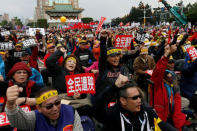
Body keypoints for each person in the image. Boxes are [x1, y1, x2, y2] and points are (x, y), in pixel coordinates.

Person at [92, 76, 177, 131]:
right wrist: (114, 87)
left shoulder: (148, 112)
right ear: (123, 100)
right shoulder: (113, 115)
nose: (139, 100)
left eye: (140, 96)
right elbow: (96, 110)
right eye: (135, 98)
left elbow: (164, 126)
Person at [5, 87, 83, 131]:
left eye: (57, 103)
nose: (55, 108)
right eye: (49, 106)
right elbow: (17, 122)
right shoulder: (35, 117)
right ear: (39, 108)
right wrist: (10, 105)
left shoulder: (70, 111)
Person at [150, 45, 189, 131]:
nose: (172, 64)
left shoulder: (174, 85)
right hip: (160, 120)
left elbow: (177, 108)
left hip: (172, 118)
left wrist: (179, 125)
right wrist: (166, 55)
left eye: (173, 62)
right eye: (169, 62)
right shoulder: (157, 84)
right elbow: (158, 72)